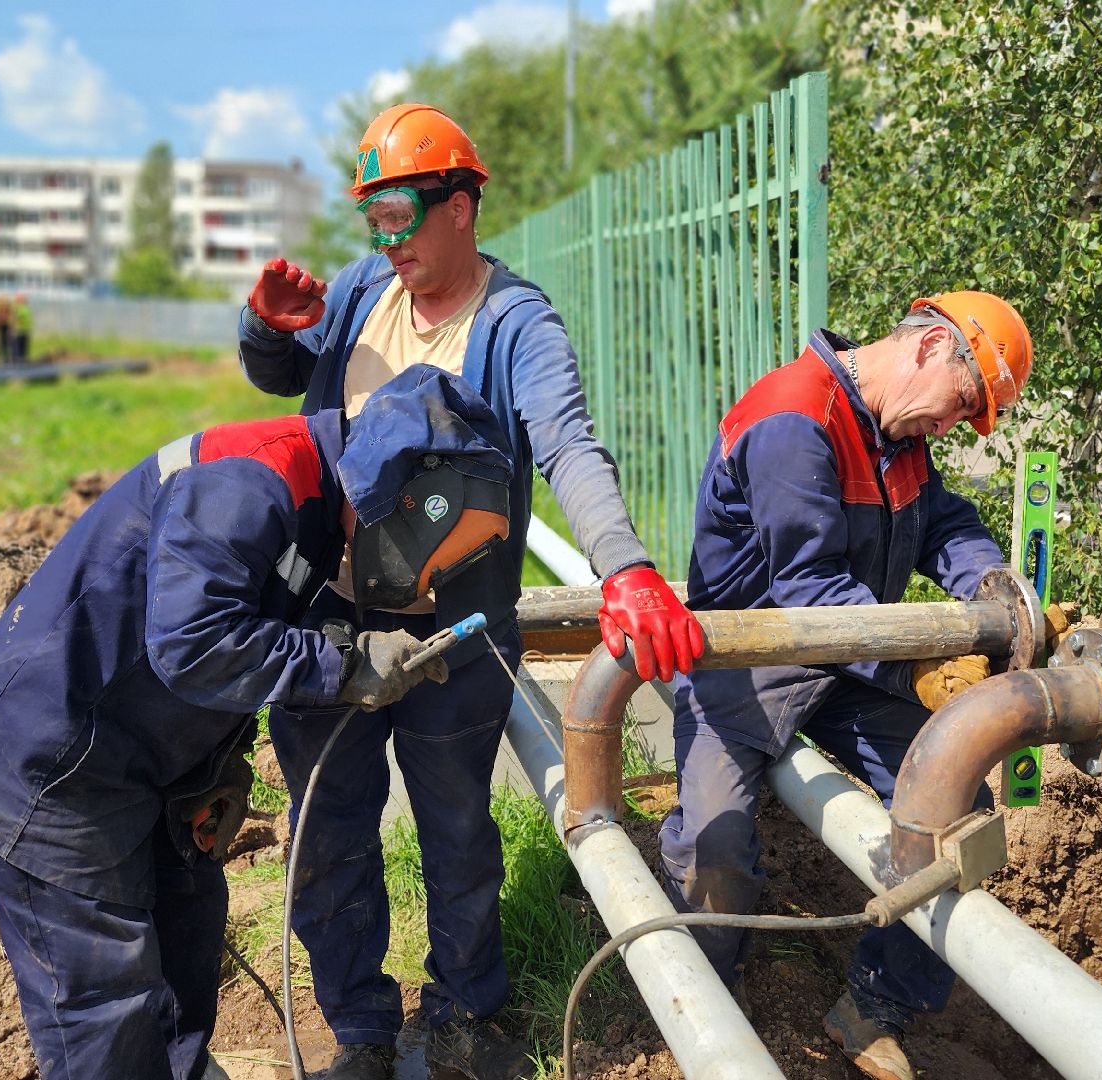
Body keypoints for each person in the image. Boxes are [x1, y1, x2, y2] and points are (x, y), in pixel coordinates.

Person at [236, 103, 704, 1080]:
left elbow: (570, 441)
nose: (382, 238)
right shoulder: (367, 288)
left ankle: (463, 1016)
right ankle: (361, 1033)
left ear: (460, 205)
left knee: (453, 826)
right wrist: (265, 332)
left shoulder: (514, 324)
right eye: (371, 217)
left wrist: (623, 567)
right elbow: (283, 375)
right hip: (332, 615)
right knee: (327, 831)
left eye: (399, 213)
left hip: (456, 629)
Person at [0, 367, 517, 1080]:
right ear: (403, 494)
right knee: (108, 1007)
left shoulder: (316, 508)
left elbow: (233, 635)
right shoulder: (251, 481)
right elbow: (193, 642)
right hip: (53, 757)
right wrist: (345, 667)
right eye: (432, 555)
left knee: (187, 942)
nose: (424, 579)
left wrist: (217, 763)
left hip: (138, 760)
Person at [660, 292, 1066, 1080]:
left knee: (955, 801)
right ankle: (705, 1009)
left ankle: (877, 1005)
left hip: (845, 667)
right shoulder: (793, 417)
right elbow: (809, 591)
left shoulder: (896, 431)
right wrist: (918, 668)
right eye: (963, 404)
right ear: (927, 351)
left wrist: (990, 582)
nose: (951, 425)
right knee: (718, 854)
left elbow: (943, 522)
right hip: (748, 665)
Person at [12, 291, 35, 363]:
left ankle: (23, 362)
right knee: (18, 348)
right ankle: (17, 363)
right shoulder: (18, 308)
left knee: (23, 348)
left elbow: (27, 319)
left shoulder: (25, 308)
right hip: (20, 331)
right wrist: (15, 329)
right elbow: (15, 319)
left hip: (25, 330)